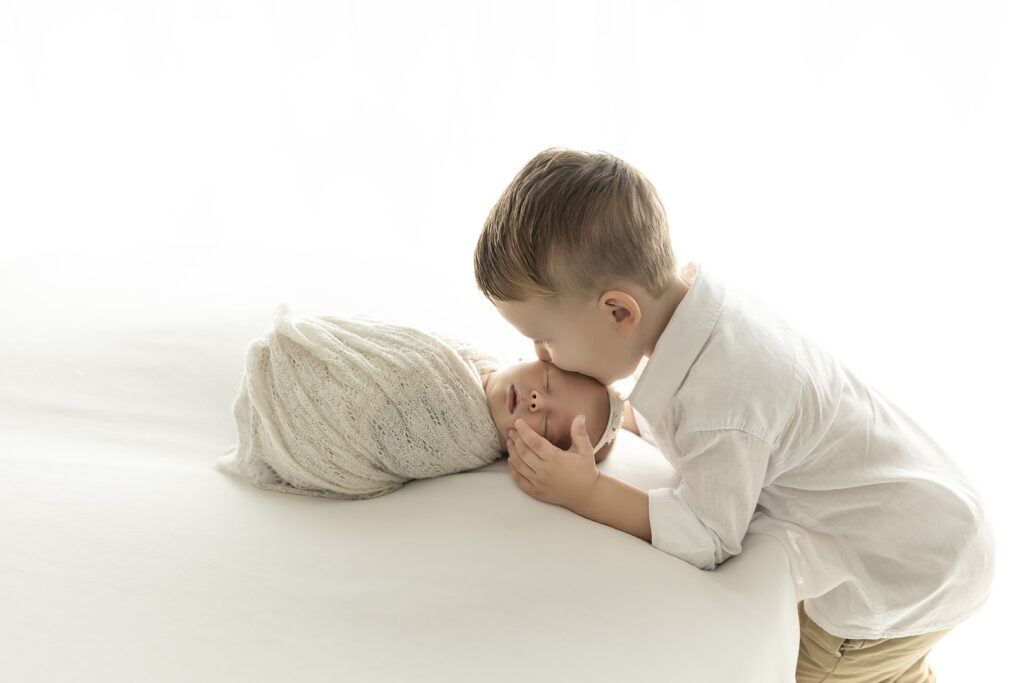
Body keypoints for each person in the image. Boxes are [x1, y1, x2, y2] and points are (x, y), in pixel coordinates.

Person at [473, 148, 994, 682]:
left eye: (546, 339)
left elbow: (708, 537)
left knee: (816, 669)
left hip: (907, 565)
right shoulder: (703, 314)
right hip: (937, 515)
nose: (540, 355)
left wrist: (585, 492)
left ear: (618, 312)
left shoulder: (722, 397)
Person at [218, 305, 622, 501]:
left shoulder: (465, 432)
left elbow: (394, 436)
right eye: (548, 381)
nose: (537, 399)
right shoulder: (480, 361)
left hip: (319, 417)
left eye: (548, 426)